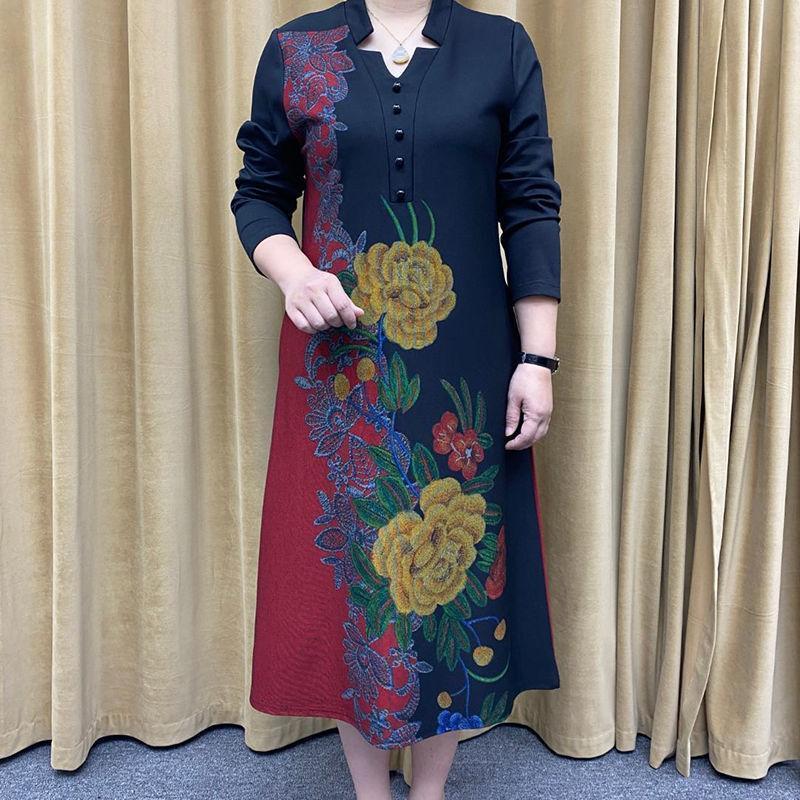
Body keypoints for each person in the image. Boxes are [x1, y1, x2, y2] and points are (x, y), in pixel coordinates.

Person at [230, 0, 562, 797]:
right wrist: (293, 273)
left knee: (450, 571)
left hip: (463, 367)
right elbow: (258, 193)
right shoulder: (299, 49)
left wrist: (538, 357)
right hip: (341, 370)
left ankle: (433, 788)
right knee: (361, 578)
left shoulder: (501, 48)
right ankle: (371, 791)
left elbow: (530, 205)